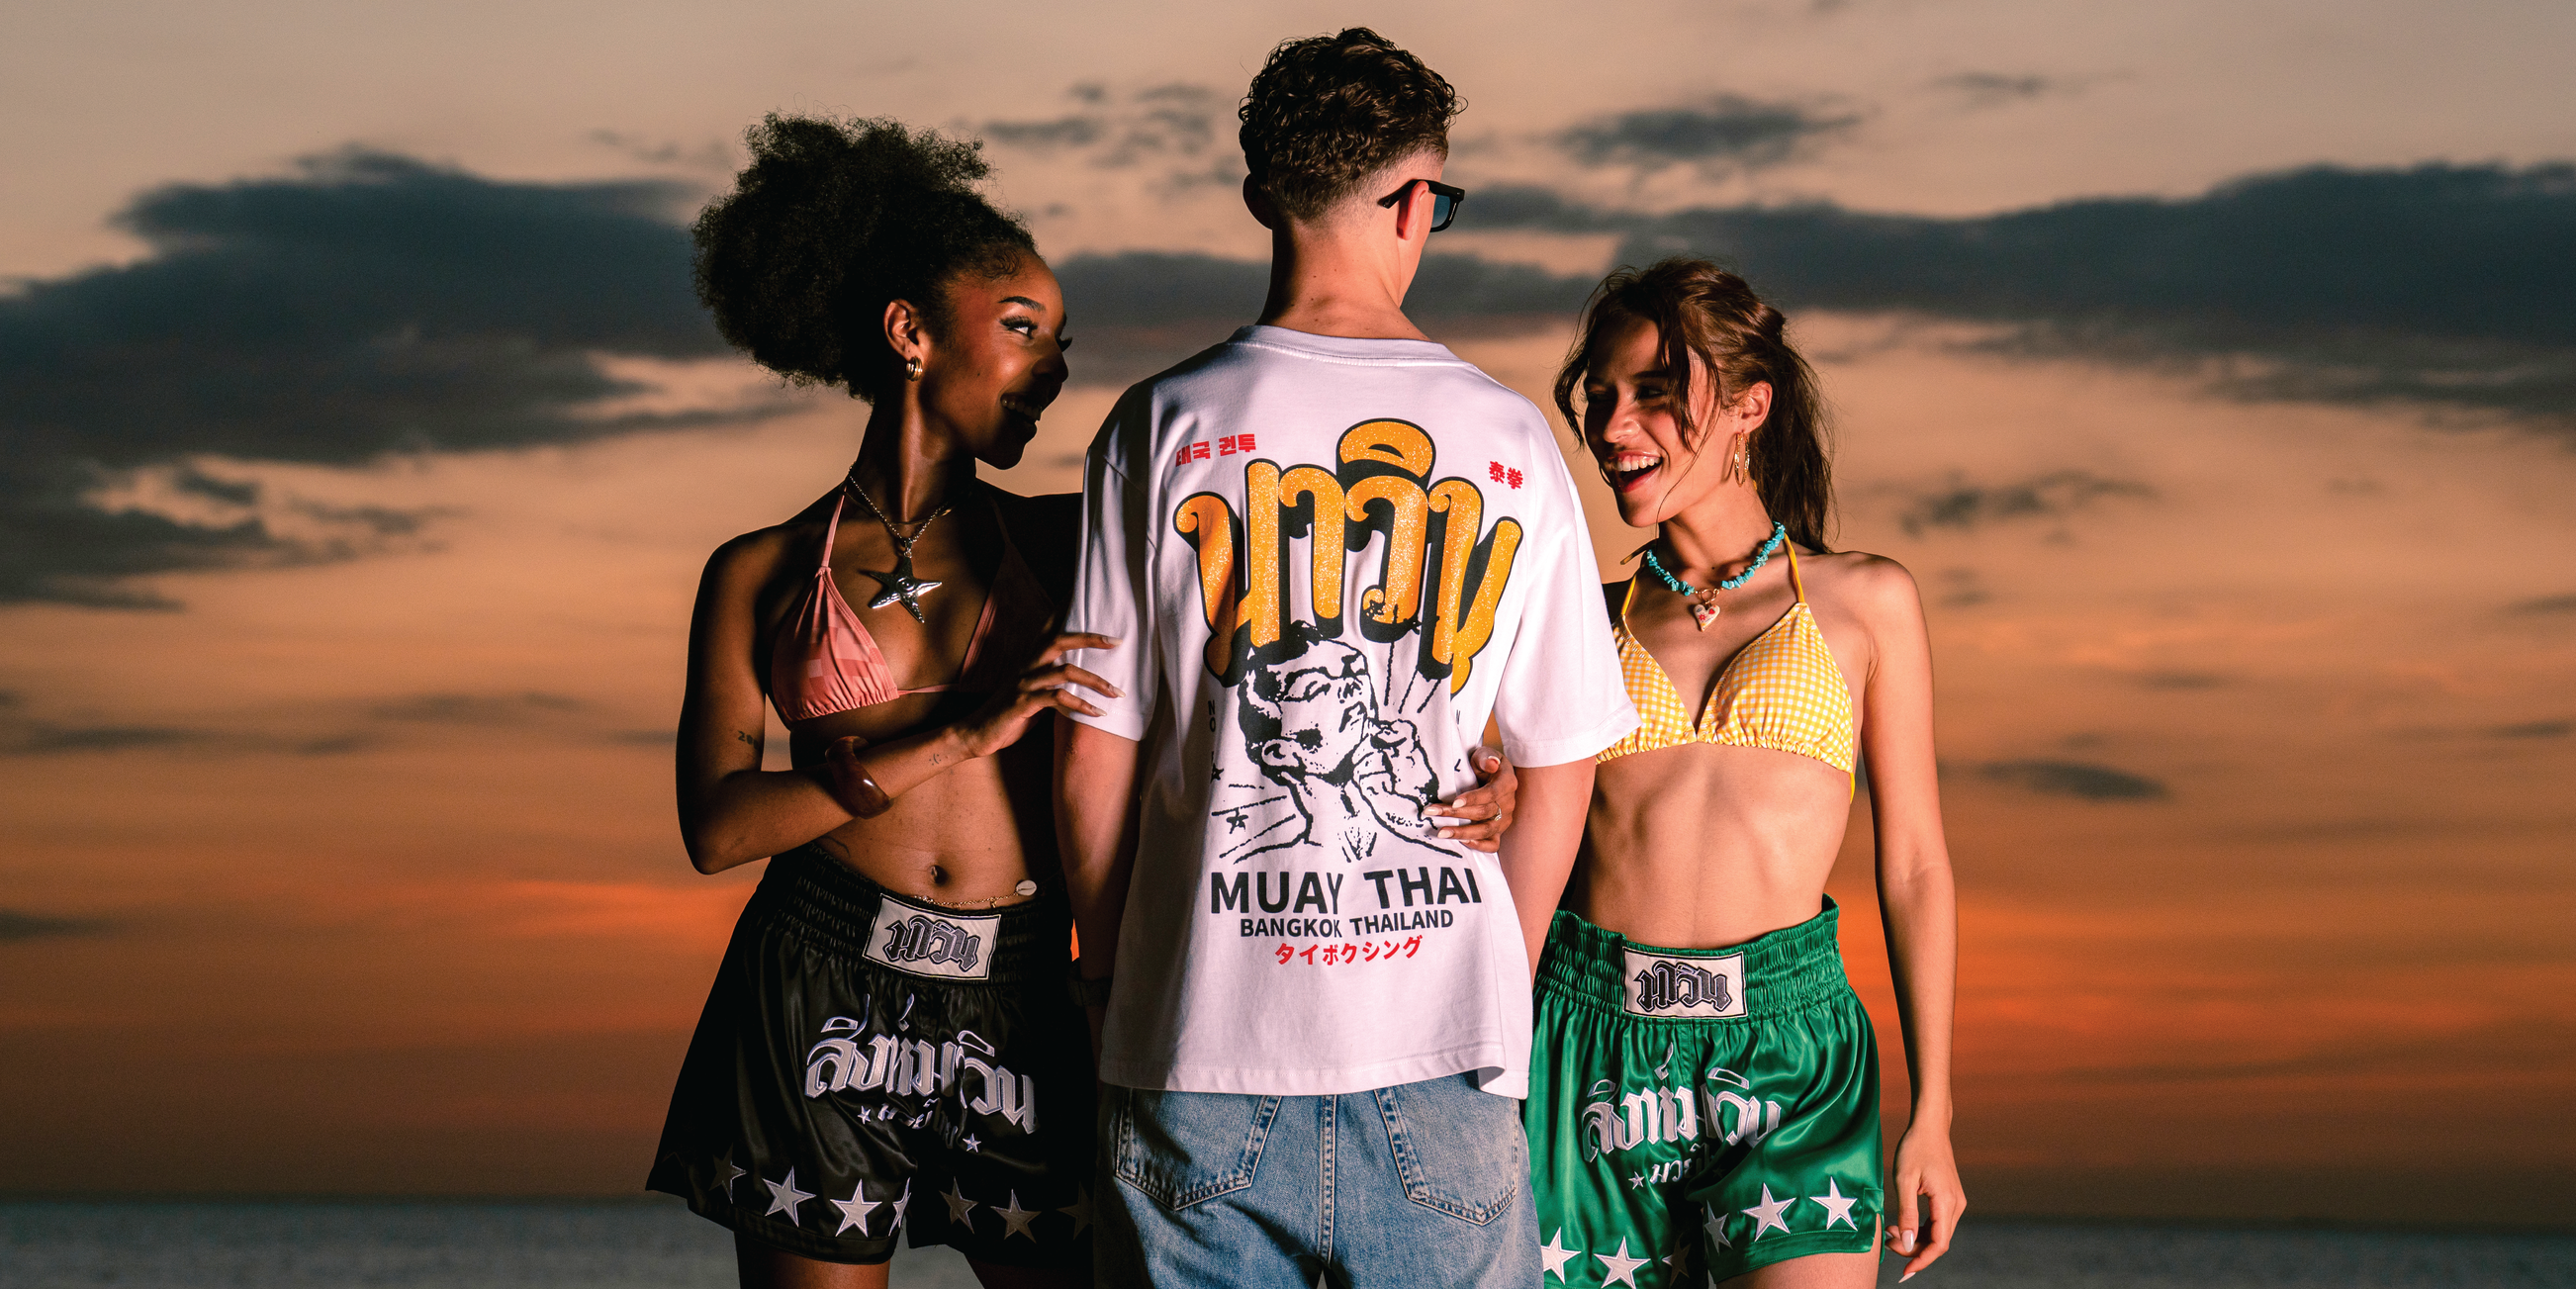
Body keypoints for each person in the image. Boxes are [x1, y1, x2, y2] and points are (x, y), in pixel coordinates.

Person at [639, 112, 1528, 1289]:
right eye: (1021, 329)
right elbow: (716, 828)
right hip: (818, 982)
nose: (1052, 368)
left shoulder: (1078, 532)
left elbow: (1296, 627)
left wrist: (1480, 756)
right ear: (910, 332)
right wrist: (957, 734)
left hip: (1019, 986)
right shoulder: (758, 569)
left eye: (1062, 343)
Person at [1052, 29, 1639, 1289]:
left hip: (1196, 1047)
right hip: (1444, 1060)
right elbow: (1564, 763)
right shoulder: (1508, 437)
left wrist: (1109, 983)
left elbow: (1092, 757)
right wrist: (1494, 978)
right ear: (1416, 202)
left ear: (1264, 194)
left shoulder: (1158, 426)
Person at [1523, 258, 1966, 1287]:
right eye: (1601, 396)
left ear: (1749, 408)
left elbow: (1915, 867)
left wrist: (1933, 1111)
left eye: (1653, 392)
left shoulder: (1866, 602)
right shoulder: (1581, 618)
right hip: (1588, 1041)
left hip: (1791, 1051)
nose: (1613, 425)